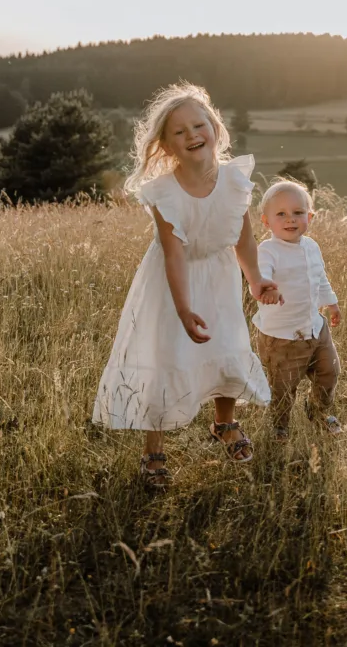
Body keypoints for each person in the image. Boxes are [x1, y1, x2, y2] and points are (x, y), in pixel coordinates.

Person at [92, 83, 278, 488]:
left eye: (199, 125)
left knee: (226, 346)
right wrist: (182, 308)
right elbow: (173, 255)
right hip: (173, 285)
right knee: (166, 357)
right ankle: (154, 449)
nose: (192, 135)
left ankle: (224, 423)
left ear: (214, 127)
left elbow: (243, 238)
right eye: (180, 131)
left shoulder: (234, 180)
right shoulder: (164, 193)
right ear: (166, 145)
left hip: (219, 277)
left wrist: (255, 279)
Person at [253, 179, 342, 442]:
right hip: (283, 336)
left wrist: (331, 302)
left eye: (298, 212)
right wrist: (267, 288)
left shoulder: (311, 246)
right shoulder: (268, 250)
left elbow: (320, 278)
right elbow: (260, 274)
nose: (290, 219)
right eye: (281, 214)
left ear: (309, 217)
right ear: (266, 222)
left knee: (329, 371)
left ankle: (318, 411)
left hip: (315, 327)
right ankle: (280, 426)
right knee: (284, 387)